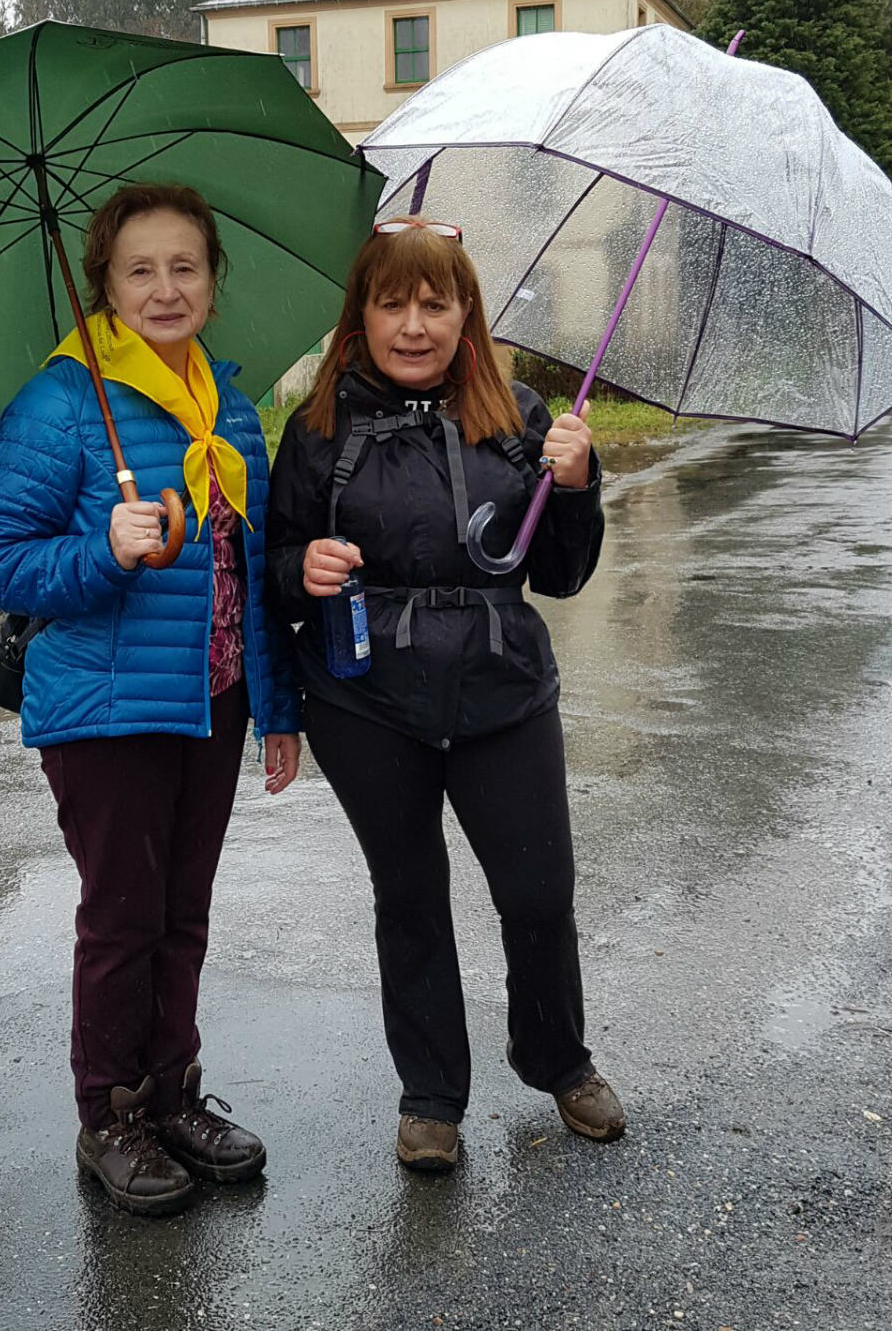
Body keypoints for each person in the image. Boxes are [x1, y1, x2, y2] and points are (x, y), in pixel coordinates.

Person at [0, 182, 301, 1215]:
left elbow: (250, 572)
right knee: (122, 918)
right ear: (104, 284)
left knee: (182, 911)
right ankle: (108, 1113)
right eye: (139, 270)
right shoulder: (63, 402)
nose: (164, 289)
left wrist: (277, 707)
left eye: (183, 267)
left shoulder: (228, 407)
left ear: (212, 281)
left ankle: (170, 1094)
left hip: (214, 698)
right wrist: (102, 553)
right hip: (106, 706)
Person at [266, 218, 624, 1172]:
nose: (414, 325)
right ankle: (430, 1096)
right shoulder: (318, 429)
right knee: (410, 898)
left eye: (435, 302)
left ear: (468, 312)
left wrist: (576, 485)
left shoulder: (521, 418)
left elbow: (561, 576)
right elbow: (270, 568)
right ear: (362, 315)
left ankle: (557, 1058)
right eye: (392, 304)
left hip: (502, 689)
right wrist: (300, 566)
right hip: (363, 699)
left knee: (538, 894)